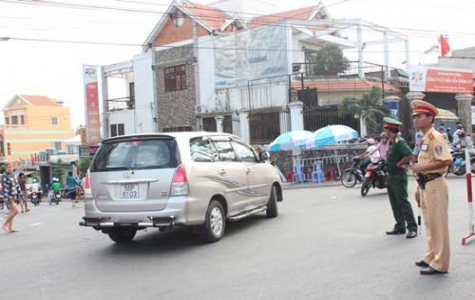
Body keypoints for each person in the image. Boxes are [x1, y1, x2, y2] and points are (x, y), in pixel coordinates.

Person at [411, 100, 453, 275]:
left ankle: (440, 263)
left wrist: (422, 169)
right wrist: (418, 188)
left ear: (430, 118)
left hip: (435, 183)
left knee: (438, 225)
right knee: (429, 224)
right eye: (414, 117)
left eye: (419, 116)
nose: (415, 120)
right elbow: (423, 162)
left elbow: (446, 160)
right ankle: (432, 255)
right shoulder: (424, 138)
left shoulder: (435, 136)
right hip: (425, 184)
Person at [382, 117, 417, 239]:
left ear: (389, 129)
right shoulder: (392, 142)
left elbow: (409, 155)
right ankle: (400, 226)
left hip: (398, 176)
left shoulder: (399, 141)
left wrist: (400, 163)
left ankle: (412, 227)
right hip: (391, 176)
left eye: (385, 129)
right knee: (395, 203)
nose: (385, 131)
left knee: (402, 202)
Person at [2, 162, 21, 233]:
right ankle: (4, 225)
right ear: (6, 168)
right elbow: (5, 187)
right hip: (8, 196)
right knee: (16, 211)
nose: (10, 168)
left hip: (14, 195)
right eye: (8, 167)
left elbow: (17, 185)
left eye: (11, 167)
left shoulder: (13, 175)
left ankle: (10, 228)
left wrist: (20, 194)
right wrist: (6, 197)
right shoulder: (4, 176)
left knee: (12, 212)